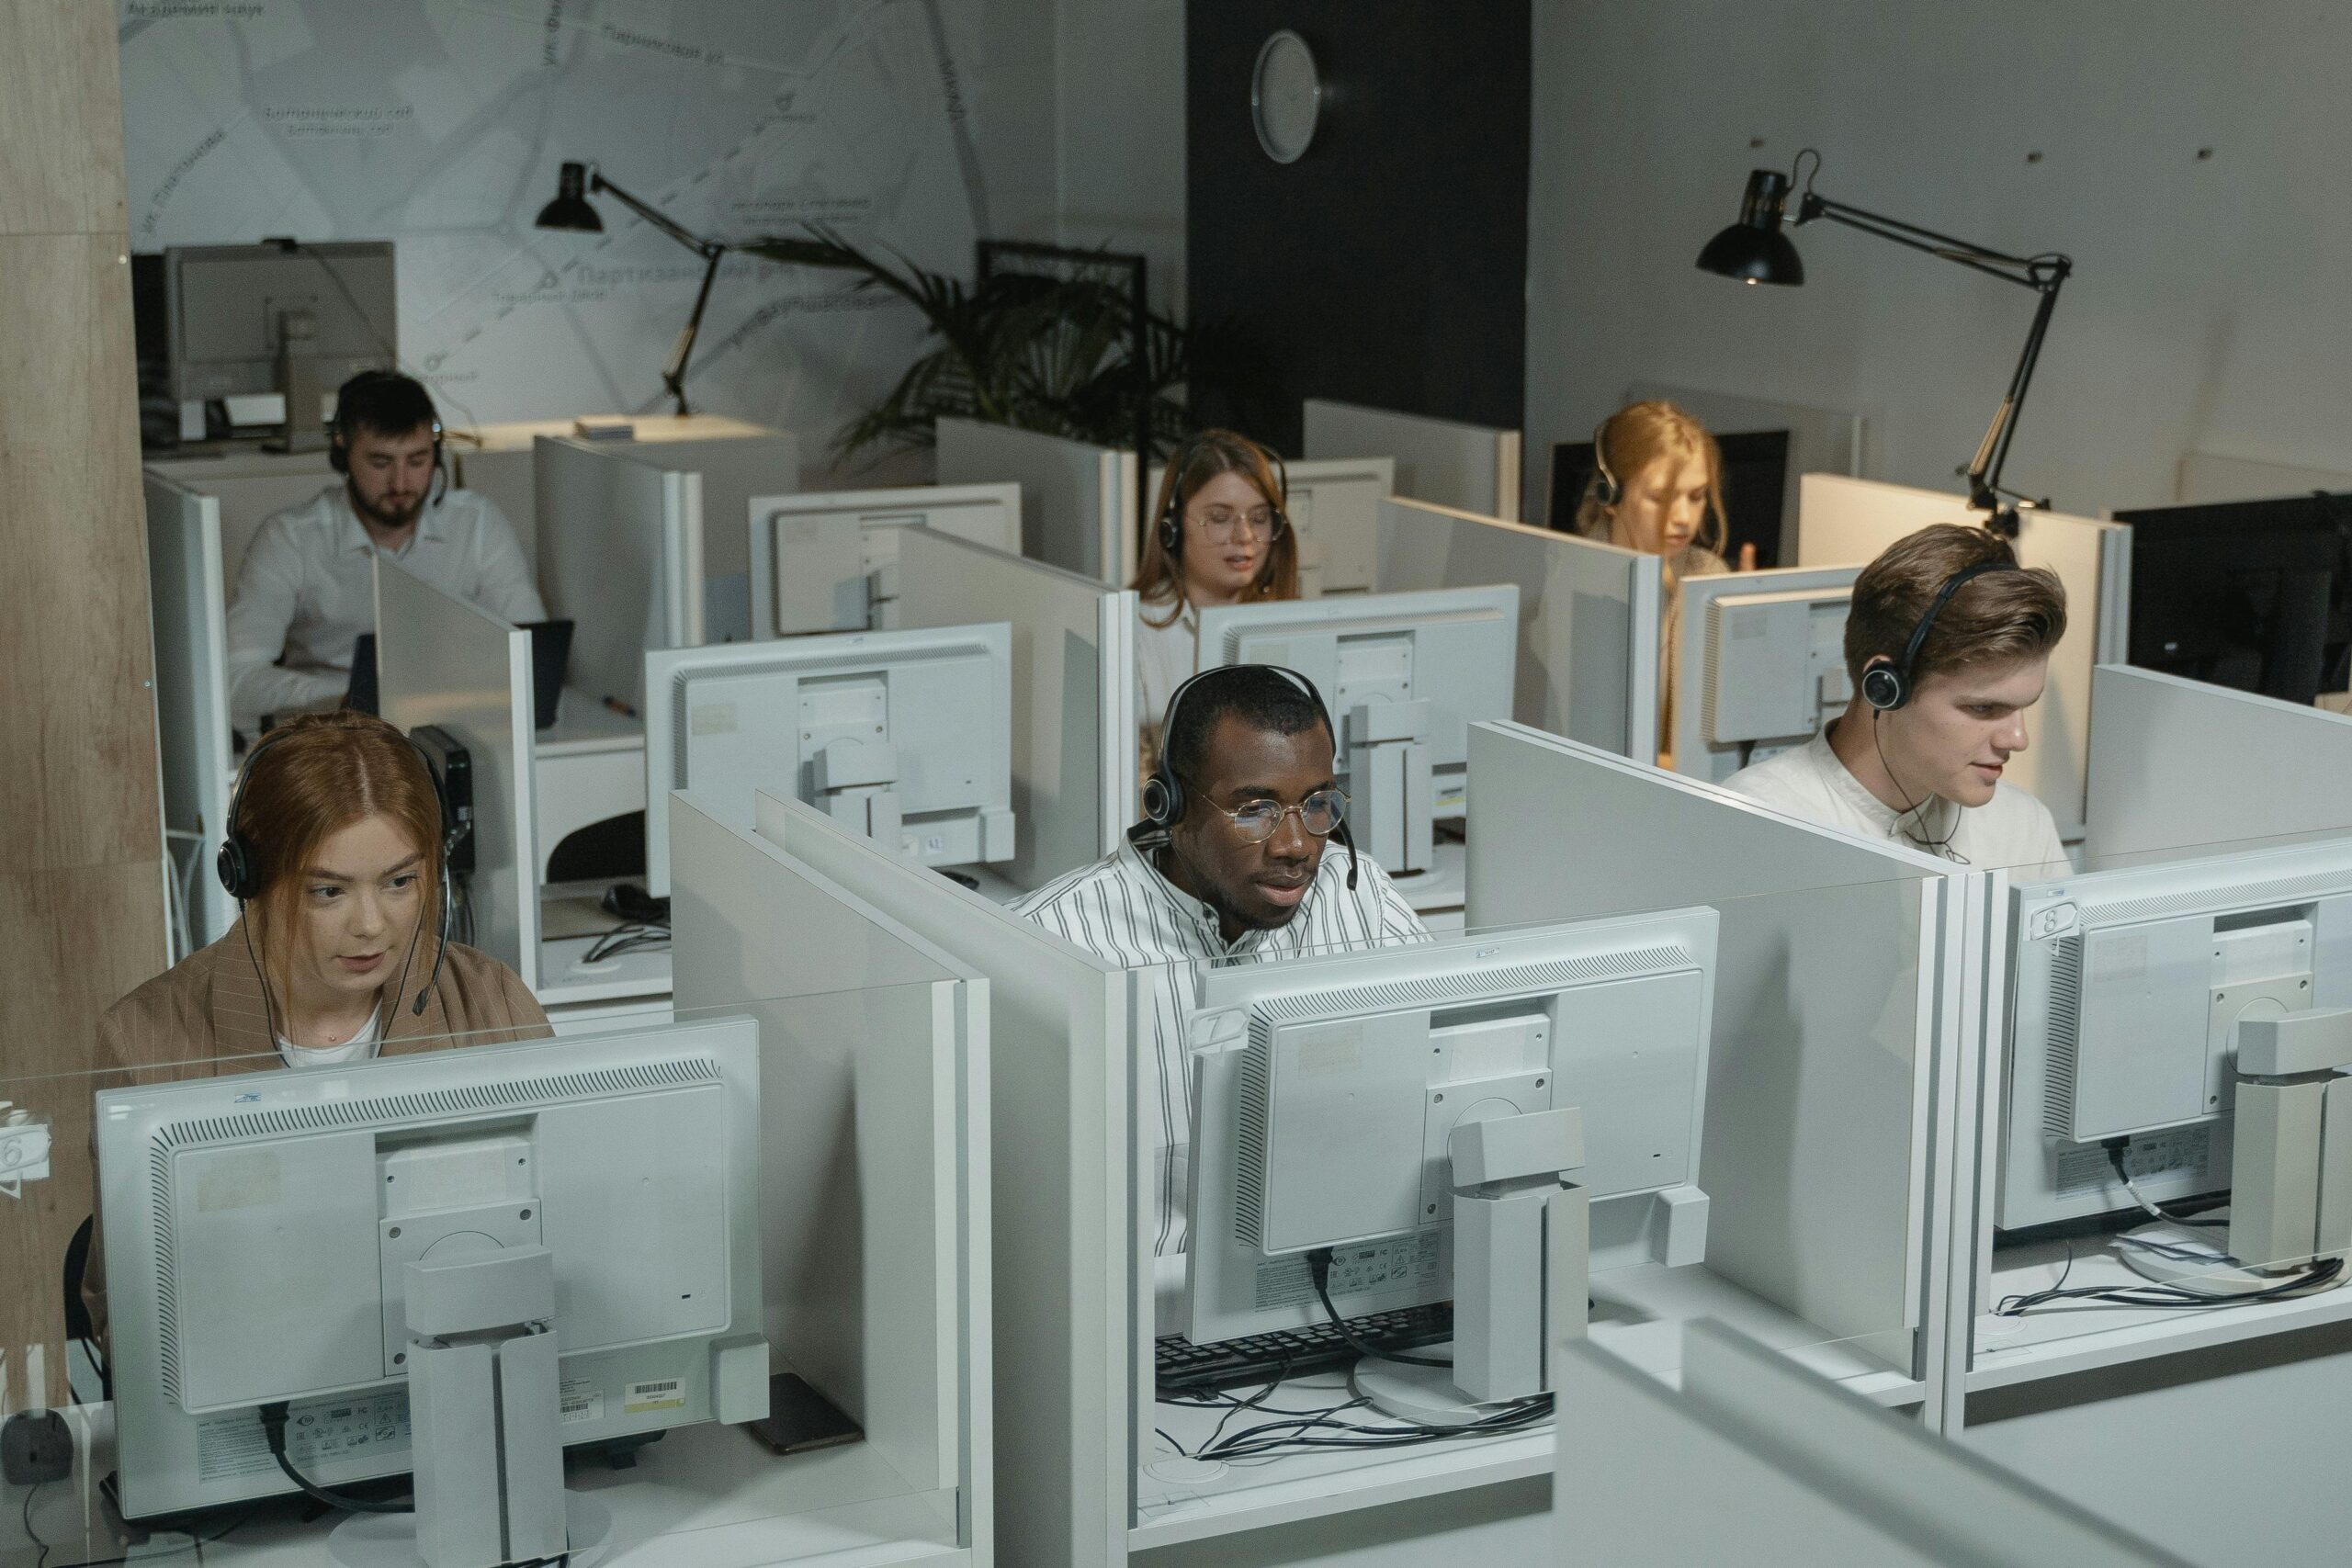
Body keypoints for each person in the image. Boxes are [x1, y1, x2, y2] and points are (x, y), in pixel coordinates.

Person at [85, 712, 549, 1339]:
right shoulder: (145, 1041)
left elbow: (561, 1243)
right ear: (248, 880)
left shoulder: (492, 1005)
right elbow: (132, 1321)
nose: (370, 925)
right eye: (329, 891)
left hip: (464, 1369)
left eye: (399, 882)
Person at [1015, 664, 1430, 1257]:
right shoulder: (1050, 944)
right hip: (1149, 1324)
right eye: (1255, 809)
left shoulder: (1359, 900)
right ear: (1169, 804)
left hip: (1342, 1286)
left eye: (1317, 804)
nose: (1296, 846)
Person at [1724, 524, 2071, 873]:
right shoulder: (1755, 823)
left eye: (2023, 707)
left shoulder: (2023, 828)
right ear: (1885, 688)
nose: (2018, 739)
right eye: (1983, 708)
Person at [225, 369, 544, 727]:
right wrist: (342, 700)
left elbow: (533, 651)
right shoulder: (290, 538)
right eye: (380, 463)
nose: (401, 482)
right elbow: (237, 675)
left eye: (418, 461)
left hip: (455, 721)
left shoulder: (476, 523)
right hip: (334, 731)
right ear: (342, 453)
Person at [1571, 400, 1750, 758]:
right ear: (1611, 496)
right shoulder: (1575, 585)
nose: (1683, 517)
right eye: (1660, 497)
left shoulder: (1707, 574)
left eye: (1696, 496)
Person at [1130, 430, 1301, 772]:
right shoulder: (1137, 630)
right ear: (1173, 527)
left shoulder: (1290, 621)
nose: (1245, 537)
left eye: (1259, 518)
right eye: (1220, 518)